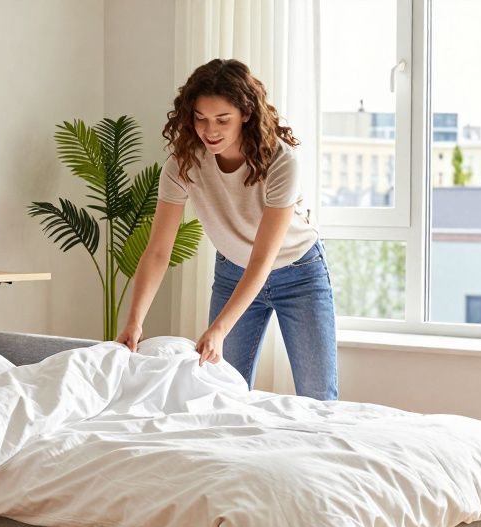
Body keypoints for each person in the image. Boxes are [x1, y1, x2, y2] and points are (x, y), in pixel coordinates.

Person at [116, 58, 338, 401]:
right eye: (201, 119)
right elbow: (158, 251)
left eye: (223, 119)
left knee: (318, 393)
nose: (210, 130)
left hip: (299, 273)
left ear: (245, 115)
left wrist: (219, 328)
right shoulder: (183, 165)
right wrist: (135, 320)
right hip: (234, 271)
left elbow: (263, 261)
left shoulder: (280, 163)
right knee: (222, 390)